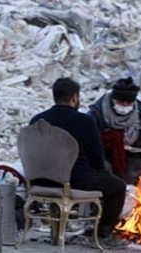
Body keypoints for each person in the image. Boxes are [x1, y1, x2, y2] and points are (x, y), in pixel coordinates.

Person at [30, 78, 128, 248]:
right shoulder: (84, 121)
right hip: (74, 180)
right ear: (74, 97)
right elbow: (97, 159)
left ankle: (64, 231)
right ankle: (103, 234)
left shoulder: (37, 121)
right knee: (117, 186)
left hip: (40, 180)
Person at [88, 77, 141, 185]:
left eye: (129, 102)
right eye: (121, 102)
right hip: (104, 158)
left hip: (132, 158)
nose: (125, 105)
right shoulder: (97, 113)